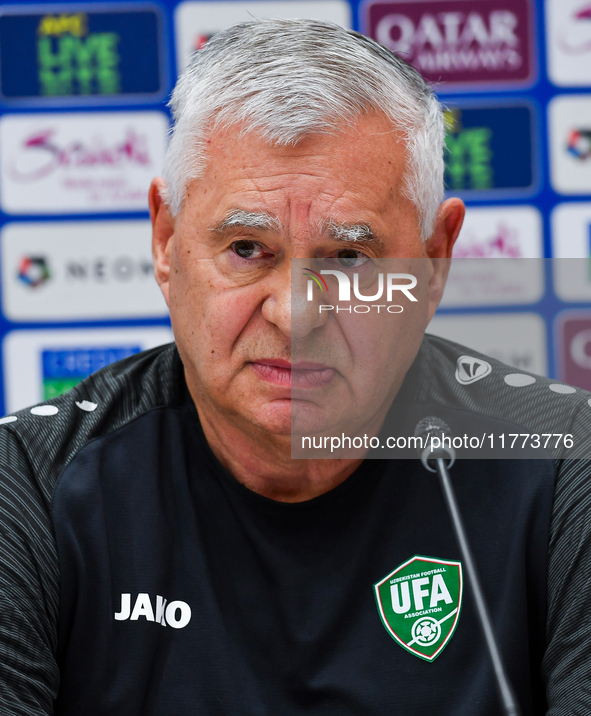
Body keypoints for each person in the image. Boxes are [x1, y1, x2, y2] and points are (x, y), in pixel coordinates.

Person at [0, 19, 590, 716]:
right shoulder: (28, 483)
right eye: (248, 248)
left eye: (348, 258)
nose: (295, 314)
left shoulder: (565, 466)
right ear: (165, 240)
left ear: (435, 261)